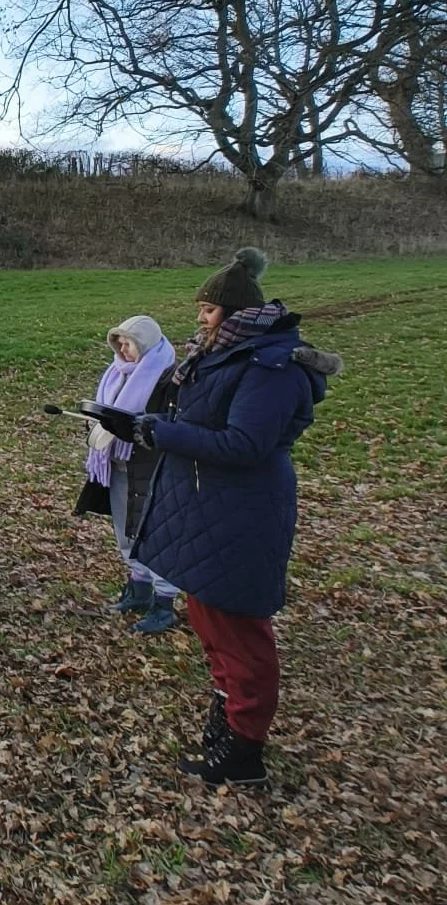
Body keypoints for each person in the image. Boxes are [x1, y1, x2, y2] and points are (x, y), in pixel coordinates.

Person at [91, 248, 341, 789]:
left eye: (208, 309)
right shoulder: (218, 356)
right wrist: (137, 422)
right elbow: (195, 418)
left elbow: (245, 443)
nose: (199, 318)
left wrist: (158, 432)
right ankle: (224, 723)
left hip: (241, 510)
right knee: (208, 618)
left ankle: (244, 749)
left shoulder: (268, 367)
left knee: (241, 631)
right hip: (204, 505)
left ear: (234, 313)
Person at [75, 315, 181, 634]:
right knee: (125, 530)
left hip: (154, 468)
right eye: (118, 341)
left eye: (128, 342)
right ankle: (138, 590)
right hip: (118, 465)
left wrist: (140, 428)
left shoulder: (169, 377)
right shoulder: (115, 374)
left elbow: (176, 421)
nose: (122, 348)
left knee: (158, 535)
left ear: (144, 343)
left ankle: (164, 604)